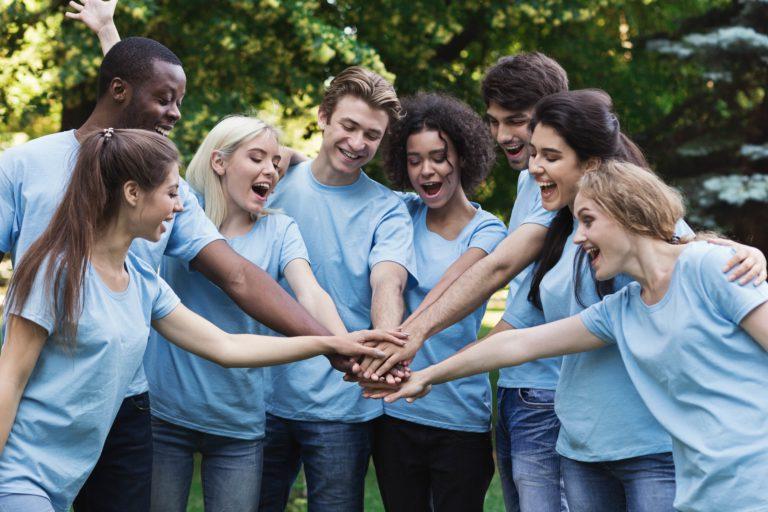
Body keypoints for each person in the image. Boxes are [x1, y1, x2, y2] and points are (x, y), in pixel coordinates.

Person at [0, 35, 340, 512]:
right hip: (36, 411)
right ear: (133, 194)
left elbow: (233, 307)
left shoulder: (143, 283)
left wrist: (335, 345)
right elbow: (10, 379)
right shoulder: (27, 184)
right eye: (165, 98)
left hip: (121, 404)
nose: (176, 112)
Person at [381, 160, 768, 512]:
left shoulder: (712, 266)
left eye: (588, 220)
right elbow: (518, 342)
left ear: (627, 212)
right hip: (702, 494)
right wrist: (426, 377)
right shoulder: (623, 310)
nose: (578, 238)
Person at [145, 115, 349, 512]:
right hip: (165, 414)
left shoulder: (281, 229)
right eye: (256, 158)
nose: (270, 171)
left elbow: (310, 291)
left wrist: (345, 344)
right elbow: (143, 138)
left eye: (275, 163)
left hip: (238, 422)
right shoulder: (180, 209)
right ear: (219, 163)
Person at [367, 93, 505, 511]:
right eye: (414, 160)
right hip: (395, 417)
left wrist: (400, 338)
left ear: (461, 157)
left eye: (438, 157)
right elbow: (347, 181)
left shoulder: (489, 231)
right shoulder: (399, 213)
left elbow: (451, 286)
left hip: (460, 416)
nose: (426, 170)